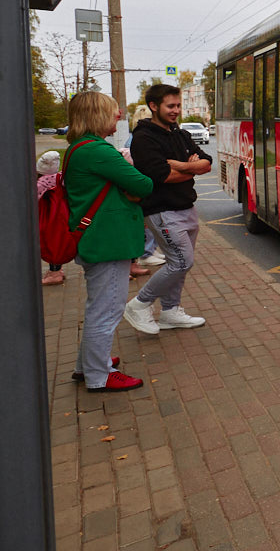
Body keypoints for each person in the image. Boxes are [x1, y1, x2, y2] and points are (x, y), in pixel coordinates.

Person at [63, 92, 154, 392]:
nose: (118, 116)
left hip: (99, 240)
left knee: (98, 308)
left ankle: (86, 365)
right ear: (97, 115)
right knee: (107, 310)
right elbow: (143, 183)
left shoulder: (80, 148)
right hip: (105, 241)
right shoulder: (97, 151)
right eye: (114, 111)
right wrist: (128, 187)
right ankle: (99, 375)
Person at [126, 84, 212, 334]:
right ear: (154, 106)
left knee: (180, 263)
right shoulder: (143, 138)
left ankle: (170, 311)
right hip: (161, 210)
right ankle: (139, 304)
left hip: (186, 207)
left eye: (178, 106)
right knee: (181, 261)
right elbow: (161, 176)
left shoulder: (180, 134)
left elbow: (207, 162)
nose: (176, 111)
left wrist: (180, 166)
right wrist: (190, 167)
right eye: (170, 106)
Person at [125, 104, 165, 268]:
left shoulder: (134, 137)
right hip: (144, 186)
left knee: (150, 220)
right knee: (148, 220)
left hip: (143, 184)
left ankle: (150, 250)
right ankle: (146, 253)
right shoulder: (140, 139)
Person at [36, 150, 66, 286]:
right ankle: (56, 270)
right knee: (57, 242)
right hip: (60, 215)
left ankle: (55, 273)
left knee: (51, 244)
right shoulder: (60, 178)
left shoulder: (41, 182)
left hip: (47, 217)